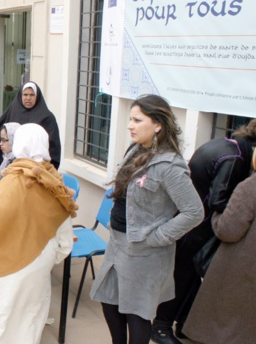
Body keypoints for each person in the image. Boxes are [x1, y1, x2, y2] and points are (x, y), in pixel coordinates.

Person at [89, 94, 204, 344]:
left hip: (144, 251)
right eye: (130, 119)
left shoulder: (170, 166)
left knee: (136, 313)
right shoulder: (136, 150)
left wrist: (158, 236)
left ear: (158, 125)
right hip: (118, 242)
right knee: (109, 301)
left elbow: (194, 212)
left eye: (137, 120)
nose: (130, 125)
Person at [0, 123, 77, 343]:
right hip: (40, 261)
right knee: (28, 320)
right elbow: (64, 236)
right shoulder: (54, 179)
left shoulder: (15, 179)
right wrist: (45, 257)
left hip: (6, 263)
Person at [151, 119, 256, 343]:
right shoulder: (235, 158)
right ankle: (161, 326)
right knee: (183, 277)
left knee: (189, 279)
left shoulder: (226, 144)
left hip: (188, 220)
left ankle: (184, 325)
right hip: (197, 226)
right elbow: (219, 201)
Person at [183, 149, 256, 344]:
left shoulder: (250, 187)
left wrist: (216, 217)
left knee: (228, 328)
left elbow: (229, 230)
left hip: (242, 270)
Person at [0, 81, 62, 169]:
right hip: (13, 164)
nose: (28, 98)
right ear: (20, 96)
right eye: (25, 95)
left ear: (37, 97)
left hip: (37, 167)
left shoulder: (47, 117)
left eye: (32, 95)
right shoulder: (14, 110)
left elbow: (53, 146)